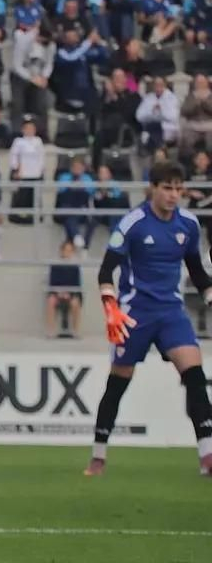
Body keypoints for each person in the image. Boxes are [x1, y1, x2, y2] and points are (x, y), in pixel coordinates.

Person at [90, 160, 212, 477]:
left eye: (178, 189)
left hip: (171, 312)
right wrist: (110, 306)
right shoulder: (133, 223)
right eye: (167, 188)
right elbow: (106, 271)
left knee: (195, 377)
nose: (173, 195)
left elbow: (197, 272)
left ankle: (207, 455)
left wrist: (209, 295)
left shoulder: (188, 224)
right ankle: (98, 455)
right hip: (135, 314)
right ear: (152, 189)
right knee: (118, 383)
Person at [48, 239, 83, 339]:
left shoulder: (75, 267)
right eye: (66, 250)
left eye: (70, 251)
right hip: (57, 294)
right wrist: (59, 292)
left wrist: (69, 293)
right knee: (51, 300)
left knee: (75, 302)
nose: (68, 253)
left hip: (72, 294)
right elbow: (52, 283)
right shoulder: (55, 265)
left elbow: (77, 285)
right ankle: (51, 331)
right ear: (61, 251)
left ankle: (76, 331)